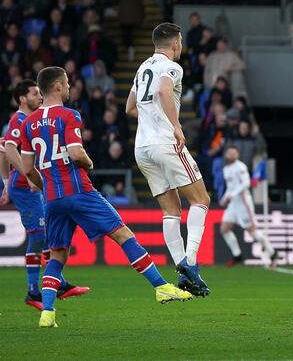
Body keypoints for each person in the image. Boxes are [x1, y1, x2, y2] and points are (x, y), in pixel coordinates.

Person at [19, 67, 193, 327]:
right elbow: (77, 153)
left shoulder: (28, 123)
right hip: (79, 191)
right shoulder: (69, 115)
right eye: (66, 83)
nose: (69, 87)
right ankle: (161, 287)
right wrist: (88, 163)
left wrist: (45, 188)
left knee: (57, 255)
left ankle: (47, 312)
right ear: (57, 87)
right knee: (123, 234)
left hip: (53, 199)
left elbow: (26, 169)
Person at [125, 22, 212, 297]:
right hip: (165, 143)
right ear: (175, 44)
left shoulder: (141, 68)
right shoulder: (172, 67)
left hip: (143, 148)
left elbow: (130, 107)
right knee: (200, 200)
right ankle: (191, 262)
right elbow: (163, 91)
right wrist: (174, 125)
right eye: (181, 42)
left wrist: (152, 119)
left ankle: (182, 273)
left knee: (170, 210)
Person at [2, 79, 89, 310]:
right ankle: (34, 292)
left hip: (32, 184)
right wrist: (26, 177)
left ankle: (55, 283)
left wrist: (4, 182)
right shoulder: (19, 120)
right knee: (40, 234)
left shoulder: (31, 121)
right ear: (22, 98)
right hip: (25, 187)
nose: (40, 97)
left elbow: (3, 149)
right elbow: (9, 149)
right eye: (35, 93)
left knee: (44, 233)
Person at [219, 146, 277, 268]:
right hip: (233, 204)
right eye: (229, 152)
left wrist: (233, 194)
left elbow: (246, 183)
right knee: (224, 229)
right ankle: (237, 255)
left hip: (243, 202)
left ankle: (272, 252)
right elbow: (230, 186)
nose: (231, 154)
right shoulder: (226, 169)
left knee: (253, 231)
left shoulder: (241, 167)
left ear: (238, 155)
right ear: (226, 155)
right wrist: (225, 198)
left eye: (234, 152)